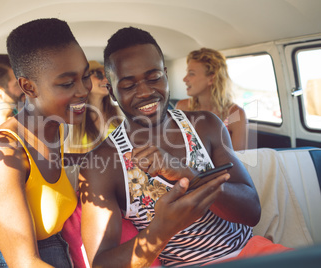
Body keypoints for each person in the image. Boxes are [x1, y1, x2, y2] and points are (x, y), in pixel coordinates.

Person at [79, 27, 290, 267]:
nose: (146, 92)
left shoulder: (207, 125)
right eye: (128, 85)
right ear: (112, 92)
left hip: (252, 252)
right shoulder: (103, 163)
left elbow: (251, 212)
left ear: (166, 76)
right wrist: (161, 229)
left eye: (154, 77)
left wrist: (190, 175)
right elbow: (101, 263)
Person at [0, 18, 91, 267]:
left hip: (56, 247)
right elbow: (24, 262)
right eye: (67, 83)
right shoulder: (4, 150)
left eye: (85, 76)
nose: (83, 90)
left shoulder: (55, 126)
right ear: (28, 86)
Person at [175, 48, 248, 151]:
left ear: (211, 79)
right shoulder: (182, 107)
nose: (184, 79)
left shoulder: (236, 114)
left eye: (191, 73)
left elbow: (239, 160)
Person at [65, 60, 123, 154]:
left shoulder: (118, 112)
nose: (105, 80)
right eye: (99, 75)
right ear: (85, 80)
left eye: (108, 77)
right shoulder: (73, 116)